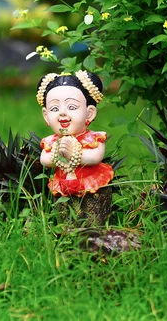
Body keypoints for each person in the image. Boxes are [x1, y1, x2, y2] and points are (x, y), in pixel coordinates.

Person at [37, 71, 114, 225]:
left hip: (90, 183)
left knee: (93, 213)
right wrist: (58, 155)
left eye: (72, 107)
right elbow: (44, 159)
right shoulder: (52, 141)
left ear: (89, 113)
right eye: (54, 109)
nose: (63, 113)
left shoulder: (93, 138)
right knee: (64, 213)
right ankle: (65, 232)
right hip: (63, 185)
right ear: (46, 116)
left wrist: (72, 154)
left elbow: (95, 157)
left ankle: (94, 233)